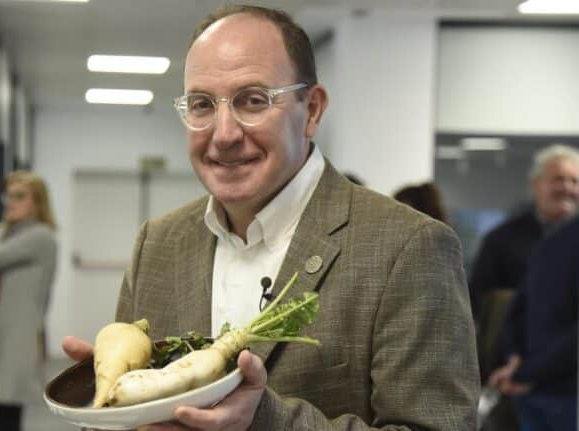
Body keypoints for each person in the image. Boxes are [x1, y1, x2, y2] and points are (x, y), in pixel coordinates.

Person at [62, 5, 479, 430]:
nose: (224, 134)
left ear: (312, 109)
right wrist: (110, 408)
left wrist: (266, 420)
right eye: (202, 105)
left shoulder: (409, 248)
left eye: (253, 101)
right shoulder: (158, 244)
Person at [0, 171, 57, 431]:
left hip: (20, 337)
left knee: (6, 409)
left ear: (37, 202)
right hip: (5, 334)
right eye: (8, 195)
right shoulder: (18, 236)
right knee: (4, 408)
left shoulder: (40, 236)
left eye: (19, 196)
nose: (10, 201)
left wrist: (2, 224)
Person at [489, 216, 578, 430]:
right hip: (560, 391)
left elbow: (517, 309)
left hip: (535, 386)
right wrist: (522, 371)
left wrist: (516, 364)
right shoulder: (556, 239)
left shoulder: (554, 238)